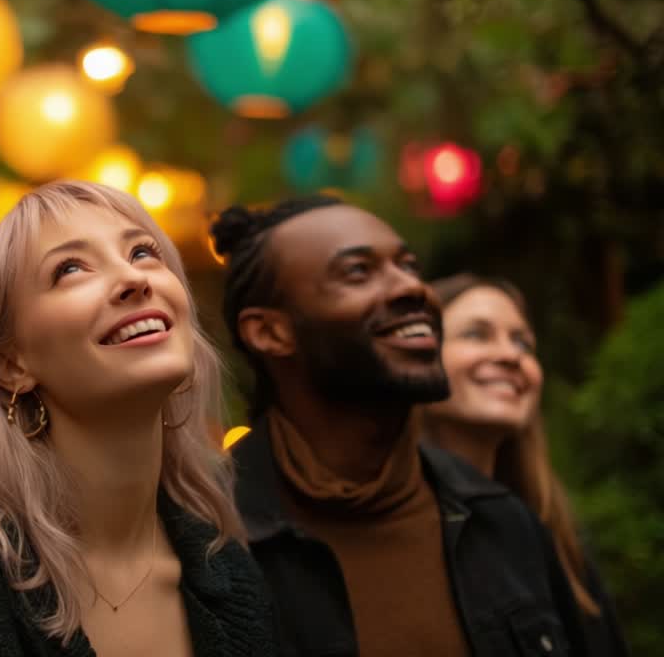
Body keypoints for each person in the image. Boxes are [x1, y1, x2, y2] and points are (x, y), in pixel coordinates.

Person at [0, 181, 275, 657]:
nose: (134, 278)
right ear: (12, 364)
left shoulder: (231, 573)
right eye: (70, 269)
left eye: (142, 252)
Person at [212, 196, 588, 657]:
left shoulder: (501, 521)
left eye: (409, 266)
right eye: (358, 272)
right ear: (270, 332)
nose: (412, 287)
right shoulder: (208, 539)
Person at [421, 274, 629, 656]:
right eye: (476, 334)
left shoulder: (557, 534)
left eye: (523, 343)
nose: (511, 355)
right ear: (415, 359)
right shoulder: (393, 530)